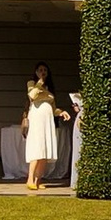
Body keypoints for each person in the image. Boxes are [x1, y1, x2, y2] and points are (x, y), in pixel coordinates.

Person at [21, 63, 69, 191]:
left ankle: (38, 180)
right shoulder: (32, 83)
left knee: (44, 150)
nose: (43, 72)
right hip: (36, 119)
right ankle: (30, 179)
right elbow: (32, 96)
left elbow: (53, 108)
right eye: (40, 70)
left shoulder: (49, 88)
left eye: (45, 70)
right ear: (36, 72)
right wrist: (39, 82)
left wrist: (61, 112)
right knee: (37, 148)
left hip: (47, 121)